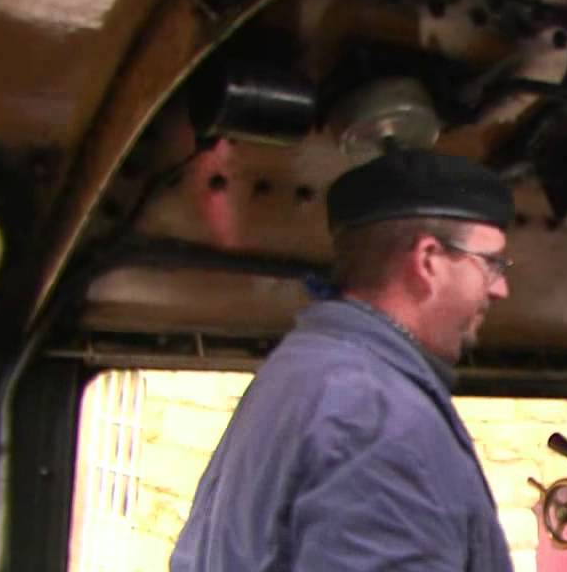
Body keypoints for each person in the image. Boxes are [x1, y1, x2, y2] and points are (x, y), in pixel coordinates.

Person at [170, 147, 517, 571]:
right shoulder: (381, 417)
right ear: (429, 261)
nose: (500, 290)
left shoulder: (298, 373)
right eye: (492, 265)